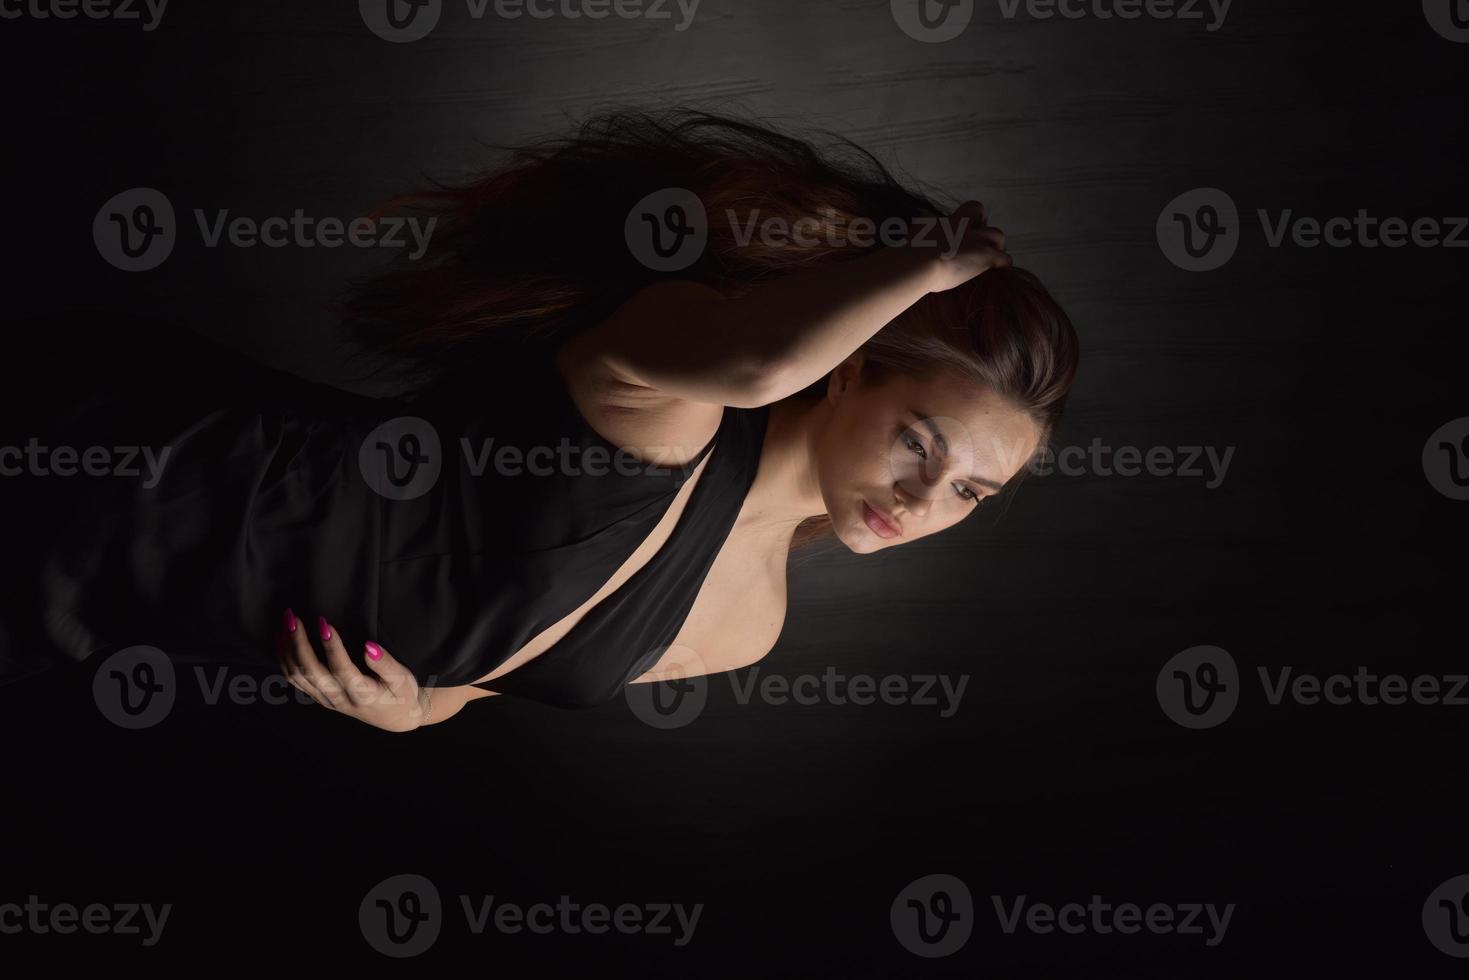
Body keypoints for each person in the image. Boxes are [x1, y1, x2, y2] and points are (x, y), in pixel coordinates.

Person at [0, 109, 1079, 730]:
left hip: (124, 605)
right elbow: (756, 364)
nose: (921, 500)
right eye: (919, 444)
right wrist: (924, 265)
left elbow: (498, 648)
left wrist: (419, 710)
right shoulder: (670, 393)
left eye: (968, 492)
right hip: (112, 460)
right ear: (846, 370)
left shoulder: (751, 626)